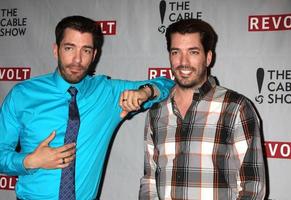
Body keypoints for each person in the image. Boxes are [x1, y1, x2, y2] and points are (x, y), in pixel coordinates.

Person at [0, 15, 174, 200]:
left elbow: (169, 85)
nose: (77, 60)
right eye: (69, 48)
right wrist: (30, 160)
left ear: (94, 55)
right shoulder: (23, 95)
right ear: (55, 50)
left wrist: (145, 92)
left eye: (86, 50)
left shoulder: (107, 92)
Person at [139, 19, 266, 200]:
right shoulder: (157, 111)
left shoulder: (235, 108)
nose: (183, 62)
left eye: (193, 52)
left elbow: (252, 187)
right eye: (176, 52)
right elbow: (150, 180)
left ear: (208, 57)